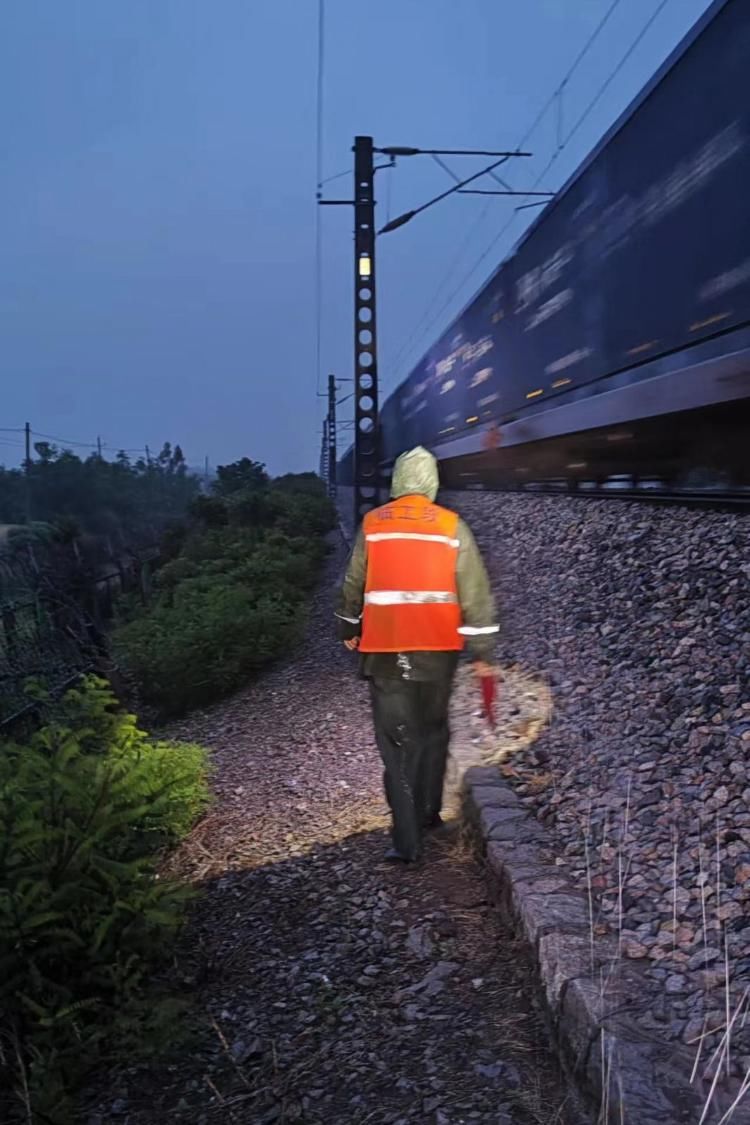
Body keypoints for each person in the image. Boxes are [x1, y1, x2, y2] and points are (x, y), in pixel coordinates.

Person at [335, 446, 499, 863]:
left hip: (387, 652)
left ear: (397, 483)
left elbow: (353, 583)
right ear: (431, 483)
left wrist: (348, 628)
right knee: (432, 732)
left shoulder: (374, 524)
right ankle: (428, 815)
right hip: (437, 651)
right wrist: (481, 650)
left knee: (398, 744)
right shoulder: (451, 525)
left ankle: (407, 844)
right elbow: (475, 594)